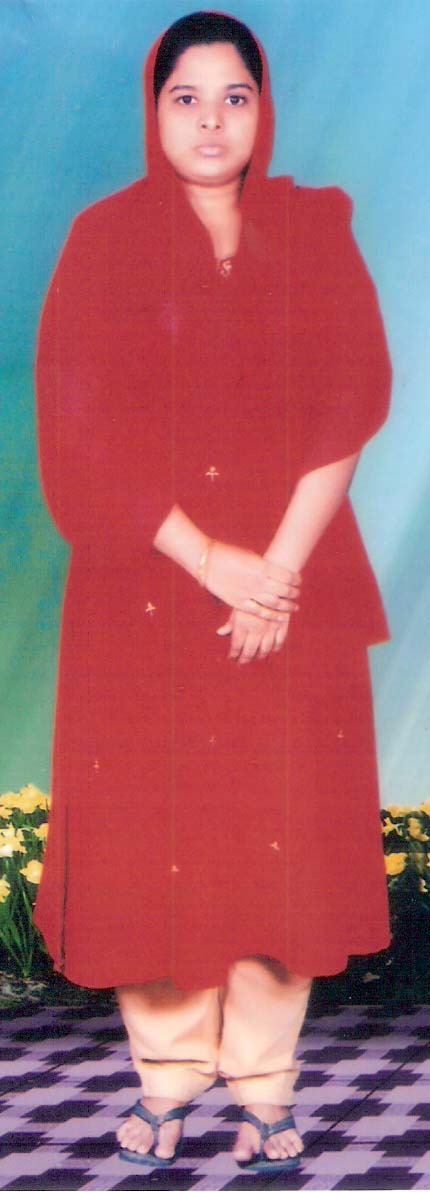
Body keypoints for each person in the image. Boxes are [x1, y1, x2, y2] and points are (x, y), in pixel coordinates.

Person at [34, 10, 392, 1173]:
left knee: (279, 837)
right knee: (158, 840)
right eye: (184, 97)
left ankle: (268, 1086)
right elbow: (78, 430)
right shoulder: (103, 240)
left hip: (296, 581)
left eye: (234, 96)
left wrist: (275, 572)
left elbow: (352, 400)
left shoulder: (314, 229)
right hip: (144, 586)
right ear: (153, 110)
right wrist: (210, 561)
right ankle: (170, 1077)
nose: (209, 121)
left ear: (262, 107)